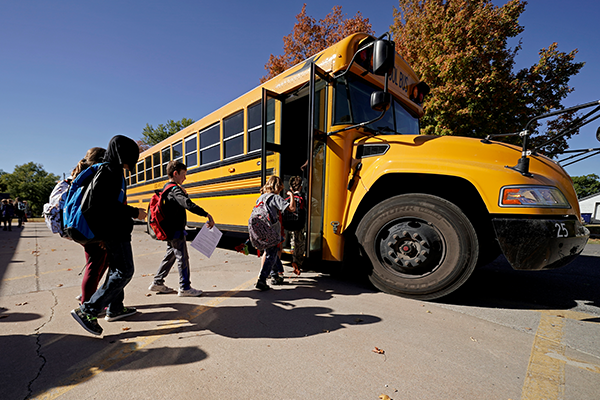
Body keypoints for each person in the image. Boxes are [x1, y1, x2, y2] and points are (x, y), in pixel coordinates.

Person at [71, 135, 147, 336]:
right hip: (115, 232)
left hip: (116, 231)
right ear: (123, 153)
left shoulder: (114, 171)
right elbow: (100, 204)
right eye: (132, 154)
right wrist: (134, 212)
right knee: (125, 271)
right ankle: (88, 310)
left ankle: (115, 308)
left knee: (116, 270)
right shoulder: (110, 171)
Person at [148, 160, 215, 297]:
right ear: (175, 173)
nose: (185, 177)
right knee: (182, 258)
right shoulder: (175, 189)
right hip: (176, 231)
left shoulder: (166, 188)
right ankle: (185, 287)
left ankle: (158, 282)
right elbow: (187, 204)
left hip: (169, 230)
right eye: (183, 174)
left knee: (171, 255)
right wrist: (206, 214)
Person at [71, 147, 110, 304]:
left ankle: (88, 296)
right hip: (93, 229)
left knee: (99, 263)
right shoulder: (96, 176)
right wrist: (102, 235)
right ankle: (87, 305)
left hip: (81, 227)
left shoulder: (82, 175)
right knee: (94, 267)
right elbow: (98, 207)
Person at [255, 176, 295, 291]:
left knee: (270, 252)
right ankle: (262, 280)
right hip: (271, 230)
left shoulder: (261, 197)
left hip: (260, 229)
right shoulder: (275, 197)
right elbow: (291, 208)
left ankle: (275, 276)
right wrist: (291, 195)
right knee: (272, 254)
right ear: (278, 186)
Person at [286, 176, 306, 274]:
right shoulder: (303, 198)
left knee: (293, 242)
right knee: (300, 243)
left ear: (291, 188)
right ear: (301, 187)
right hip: (300, 224)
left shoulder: (288, 198)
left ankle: (294, 260)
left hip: (291, 224)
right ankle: (299, 262)